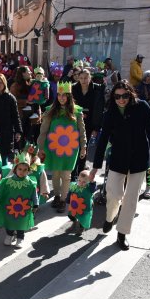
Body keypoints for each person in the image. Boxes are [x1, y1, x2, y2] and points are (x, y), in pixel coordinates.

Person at [90, 81, 150, 250]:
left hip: (139, 160)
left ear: (130, 94)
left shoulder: (142, 107)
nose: (121, 100)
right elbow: (103, 140)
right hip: (118, 160)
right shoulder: (110, 113)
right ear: (113, 97)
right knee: (113, 193)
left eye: (124, 96)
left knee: (130, 199)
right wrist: (96, 166)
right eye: (117, 96)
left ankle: (121, 234)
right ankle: (109, 217)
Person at [38, 82, 87, 213]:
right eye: (59, 95)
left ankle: (63, 200)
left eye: (64, 95)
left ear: (69, 96)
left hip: (70, 149)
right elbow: (43, 131)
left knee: (66, 175)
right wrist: (40, 147)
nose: (61, 98)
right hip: (53, 147)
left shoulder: (77, 111)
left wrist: (84, 147)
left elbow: (82, 131)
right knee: (55, 174)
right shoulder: (50, 110)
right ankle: (57, 196)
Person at [0, 151, 38, 247]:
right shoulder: (7, 181)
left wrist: (36, 204)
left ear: (28, 170)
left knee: (21, 223)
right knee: (9, 221)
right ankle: (9, 235)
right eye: (20, 169)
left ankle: (20, 238)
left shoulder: (30, 183)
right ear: (15, 169)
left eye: (25, 170)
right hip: (9, 206)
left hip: (24, 208)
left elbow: (33, 194)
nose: (22, 172)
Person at [71, 69, 105, 179]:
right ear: (78, 78)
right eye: (81, 78)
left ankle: (80, 171)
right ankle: (73, 172)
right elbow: (70, 104)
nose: (83, 80)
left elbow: (99, 109)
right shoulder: (73, 88)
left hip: (90, 122)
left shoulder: (97, 89)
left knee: (84, 146)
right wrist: (78, 113)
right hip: (75, 120)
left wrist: (96, 128)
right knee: (74, 145)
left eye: (86, 78)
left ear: (90, 77)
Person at [66, 169, 96, 235]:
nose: (81, 183)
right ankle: (74, 221)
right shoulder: (74, 185)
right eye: (79, 180)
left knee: (84, 218)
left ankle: (81, 227)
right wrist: (68, 199)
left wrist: (92, 182)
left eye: (84, 182)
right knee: (70, 215)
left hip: (85, 207)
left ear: (88, 182)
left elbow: (93, 188)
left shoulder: (89, 188)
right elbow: (70, 192)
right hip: (74, 206)